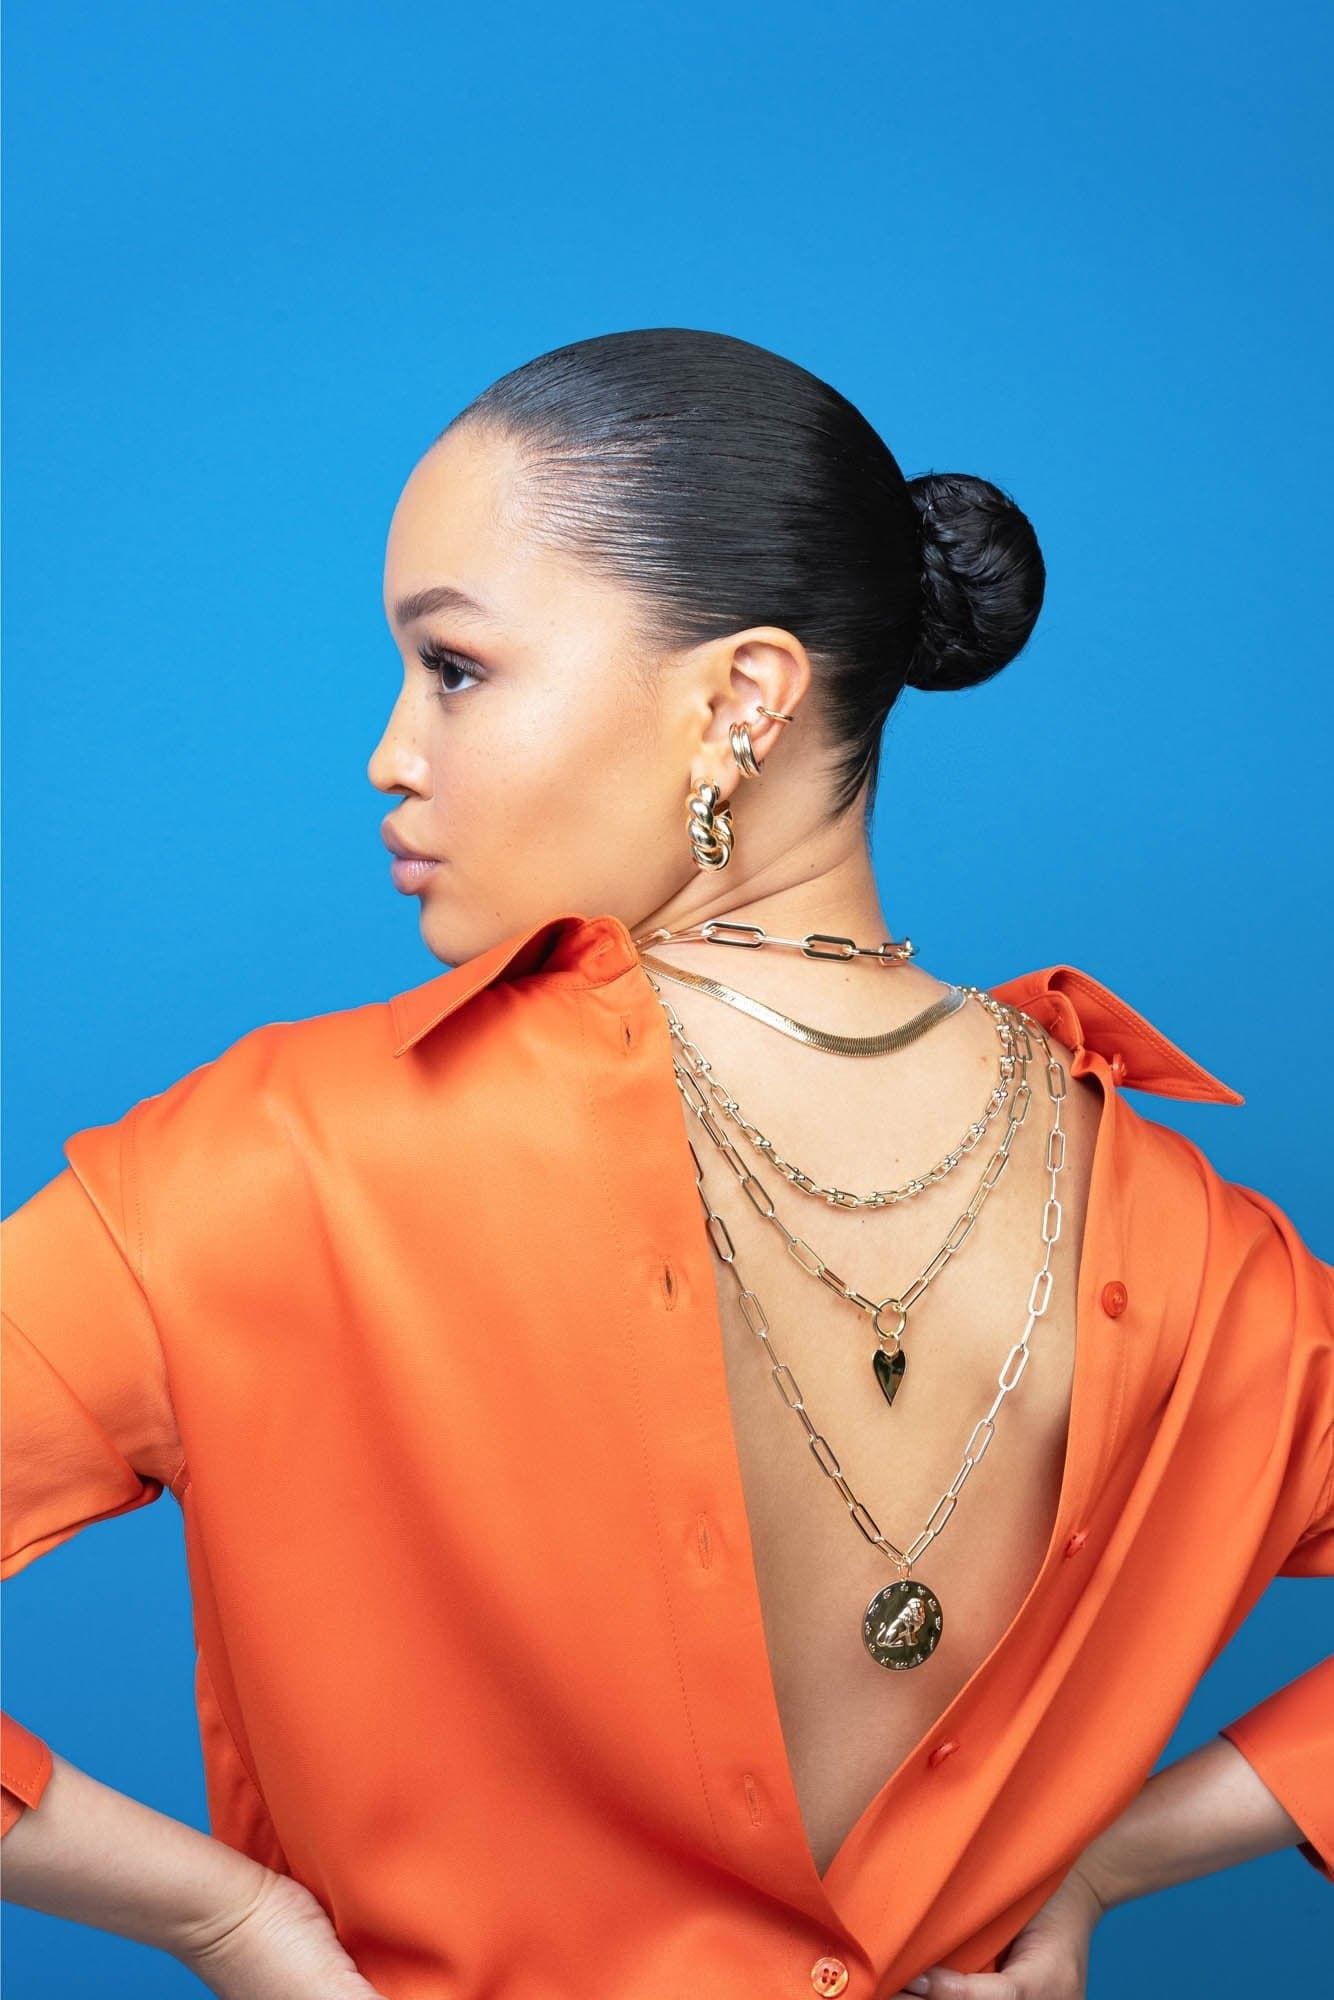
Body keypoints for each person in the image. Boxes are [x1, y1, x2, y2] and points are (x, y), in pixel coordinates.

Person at [2, 327, 1329, 2000]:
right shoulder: (1200, 1252)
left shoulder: (276, 1159)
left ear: (740, 700)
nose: (389, 753)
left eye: (454, 668)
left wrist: (228, 1920)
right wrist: (1101, 1863)